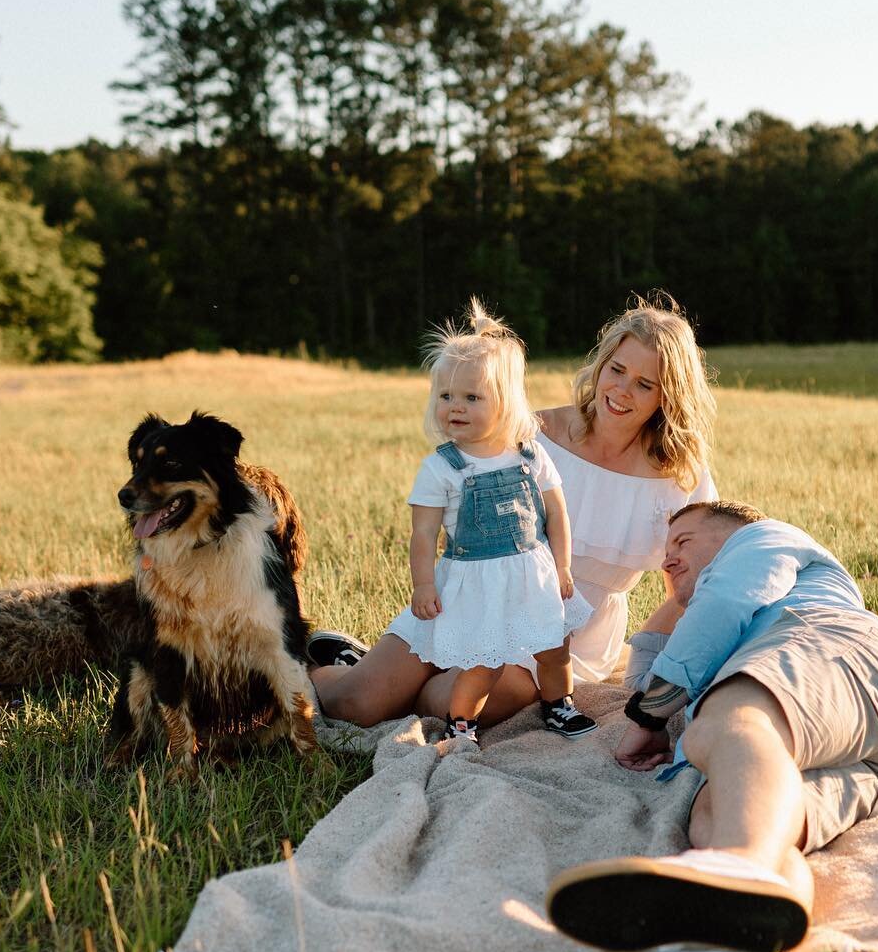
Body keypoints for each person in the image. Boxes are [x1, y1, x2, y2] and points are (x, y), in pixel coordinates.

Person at [543, 500, 878, 952]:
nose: (668, 559)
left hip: (834, 650)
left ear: (733, 534)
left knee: (727, 724)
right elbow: (644, 678)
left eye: (683, 541)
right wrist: (679, 598)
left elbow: (724, 602)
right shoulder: (712, 618)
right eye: (664, 553)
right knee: (719, 814)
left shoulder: (765, 539)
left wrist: (649, 716)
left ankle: (737, 866)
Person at [308, 293, 719, 730]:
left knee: (439, 701)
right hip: (475, 590)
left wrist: (651, 650)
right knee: (358, 704)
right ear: (600, 367)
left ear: (668, 395)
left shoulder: (680, 476)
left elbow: (696, 582)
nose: (620, 390)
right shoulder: (531, 435)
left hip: (567, 629)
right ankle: (335, 667)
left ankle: (374, 665)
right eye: (616, 370)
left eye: (644, 383)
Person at [362, 299, 596, 745]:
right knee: (481, 663)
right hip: (478, 582)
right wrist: (423, 585)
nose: (456, 407)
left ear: (505, 403)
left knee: (554, 648)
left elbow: (557, 513)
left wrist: (563, 566)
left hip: (534, 574)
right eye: (446, 396)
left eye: (472, 397)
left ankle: (559, 705)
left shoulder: (529, 454)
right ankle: (462, 723)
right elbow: (424, 533)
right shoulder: (443, 468)